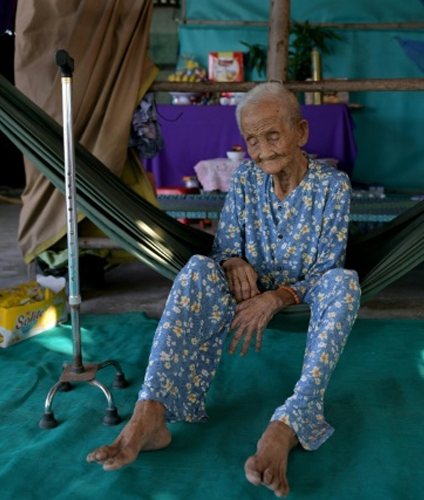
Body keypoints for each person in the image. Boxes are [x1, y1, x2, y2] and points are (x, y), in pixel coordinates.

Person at [86, 82, 360, 498]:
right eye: (252, 140)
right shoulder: (247, 178)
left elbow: (326, 270)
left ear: (301, 133)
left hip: (302, 295)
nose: (263, 150)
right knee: (198, 267)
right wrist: (233, 262)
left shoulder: (332, 186)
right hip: (244, 291)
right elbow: (226, 247)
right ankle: (151, 413)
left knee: (344, 284)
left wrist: (277, 297)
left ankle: (288, 425)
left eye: (273, 135)